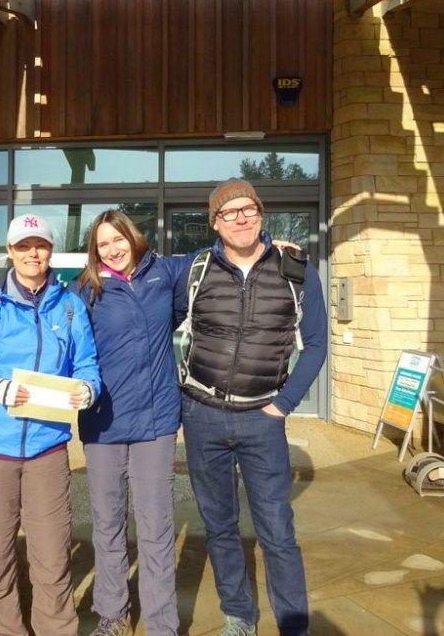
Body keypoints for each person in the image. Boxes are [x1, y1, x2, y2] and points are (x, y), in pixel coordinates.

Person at [179, 179, 327, 636]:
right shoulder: (195, 270)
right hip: (202, 416)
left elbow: (317, 344)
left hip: (263, 418)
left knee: (277, 530)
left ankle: (293, 626)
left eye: (248, 209)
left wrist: (284, 405)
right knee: (220, 526)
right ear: (215, 222)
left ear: (261, 214)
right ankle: (239, 616)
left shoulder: (295, 269)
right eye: (229, 212)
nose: (240, 218)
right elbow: (138, 304)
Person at [0, 212, 101, 636]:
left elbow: (86, 363)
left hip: (47, 450)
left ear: (50, 251)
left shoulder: (71, 306)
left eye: (39, 245)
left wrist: (88, 389)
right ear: (10, 251)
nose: (32, 254)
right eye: (23, 246)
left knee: (53, 558)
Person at [72, 210, 191, 636]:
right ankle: (113, 613)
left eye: (117, 239)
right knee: (108, 523)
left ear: (132, 237)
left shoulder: (164, 272)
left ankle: (161, 624)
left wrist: (265, 245)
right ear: (94, 250)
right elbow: (45, 312)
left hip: (155, 423)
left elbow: (214, 257)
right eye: (102, 244)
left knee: (156, 526)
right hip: (103, 423)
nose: (112, 249)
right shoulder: (84, 290)